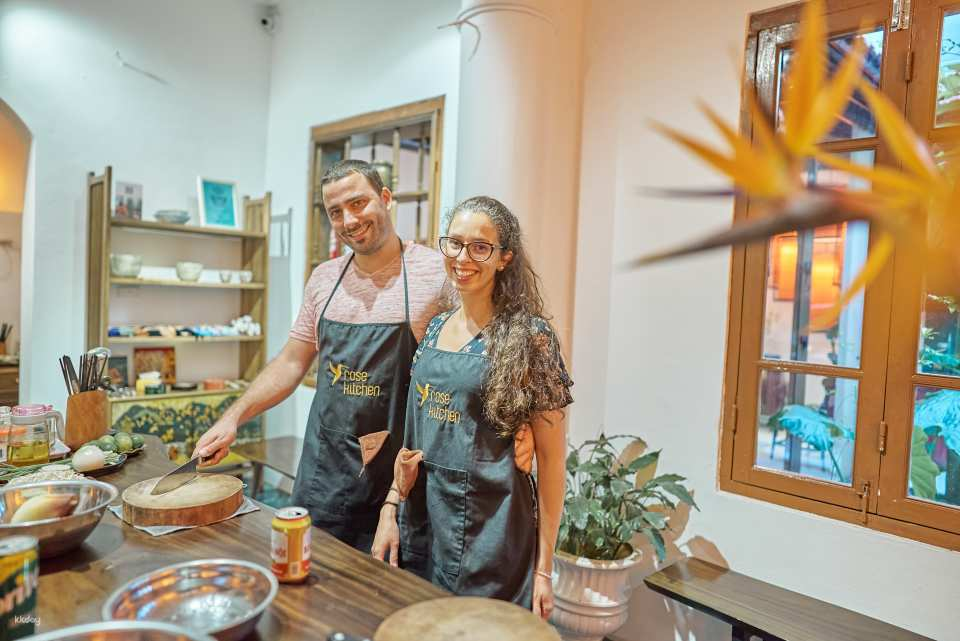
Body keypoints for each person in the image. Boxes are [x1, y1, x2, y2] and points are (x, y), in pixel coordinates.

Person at [193, 161, 533, 552]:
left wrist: (524, 424)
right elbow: (291, 361)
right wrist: (233, 417)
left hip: (398, 482)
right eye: (335, 212)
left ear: (386, 199)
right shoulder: (323, 279)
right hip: (325, 472)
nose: (348, 220)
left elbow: (490, 345)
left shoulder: (435, 275)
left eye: (358, 203)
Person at [371, 196, 572, 620]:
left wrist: (545, 569)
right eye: (455, 243)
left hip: (494, 531)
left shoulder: (530, 338)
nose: (464, 258)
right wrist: (391, 506)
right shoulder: (436, 327)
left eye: (480, 247)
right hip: (425, 520)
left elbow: (553, 463)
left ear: (505, 258)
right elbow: (413, 435)